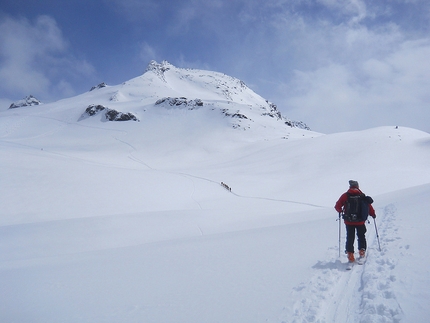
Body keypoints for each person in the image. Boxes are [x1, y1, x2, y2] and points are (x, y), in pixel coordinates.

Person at [335, 180, 376, 262]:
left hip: (349, 221)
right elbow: (368, 206)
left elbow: (337, 206)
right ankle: (362, 251)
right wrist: (373, 214)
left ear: (350, 187)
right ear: (357, 186)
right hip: (360, 221)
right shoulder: (362, 196)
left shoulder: (345, 196)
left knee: (350, 237)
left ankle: (350, 254)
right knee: (361, 236)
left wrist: (341, 211)